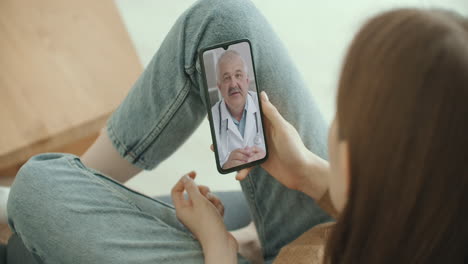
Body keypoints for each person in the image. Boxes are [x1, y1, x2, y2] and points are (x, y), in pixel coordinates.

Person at [4, 1, 467, 264]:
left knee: (36, 194)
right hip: (330, 235)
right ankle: (83, 188)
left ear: (354, 164)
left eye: (343, 116)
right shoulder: (441, 213)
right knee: (224, 24)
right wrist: (309, 174)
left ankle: (44, 221)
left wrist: (218, 245)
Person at [210, 50, 266, 169]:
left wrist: (265, 157)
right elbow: (216, 164)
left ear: (247, 81)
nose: (233, 84)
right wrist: (225, 166)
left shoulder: (262, 103)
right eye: (226, 78)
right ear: (219, 87)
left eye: (238, 75)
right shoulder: (213, 115)